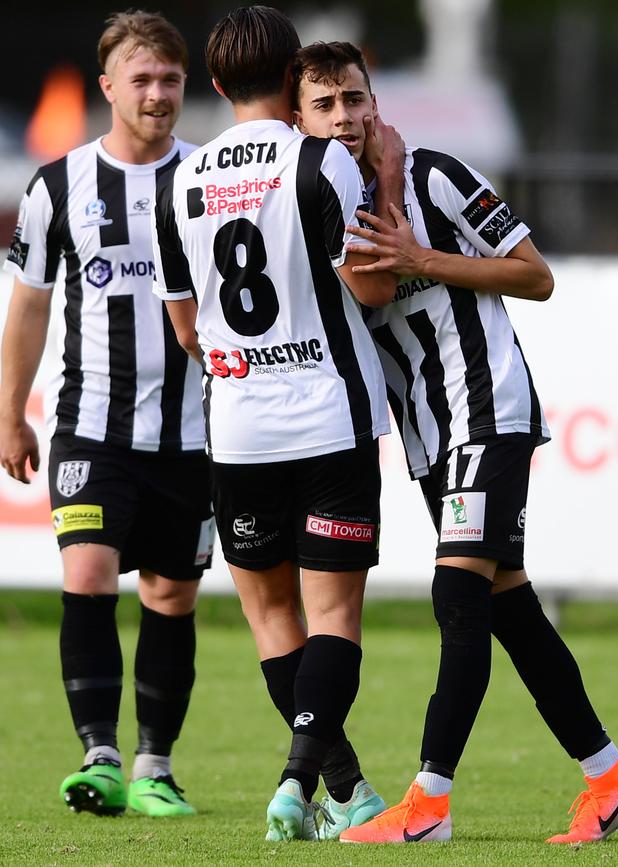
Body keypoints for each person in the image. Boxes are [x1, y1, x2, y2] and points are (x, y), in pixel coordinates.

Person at [293, 40, 618, 845]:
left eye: (355, 99)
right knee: (509, 607)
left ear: (374, 103)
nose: (345, 117)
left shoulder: (436, 175)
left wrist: (427, 255)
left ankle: (429, 803)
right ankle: (613, 778)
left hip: (486, 410)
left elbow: (536, 274)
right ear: (299, 119)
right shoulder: (321, 204)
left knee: (456, 598)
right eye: (326, 104)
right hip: (430, 431)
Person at [150, 5, 404, 842]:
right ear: (296, 75)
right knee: (334, 618)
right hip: (330, 414)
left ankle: (348, 791)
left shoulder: (177, 180)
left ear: (217, 85)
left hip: (241, 426)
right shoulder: (321, 160)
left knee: (272, 619)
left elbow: (187, 328)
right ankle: (300, 783)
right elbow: (370, 286)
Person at [0, 11, 215, 818]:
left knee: (171, 595)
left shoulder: (209, 179)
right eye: (142, 80)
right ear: (108, 89)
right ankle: (100, 755)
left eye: (170, 80)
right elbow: (28, 307)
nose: (157, 94)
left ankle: (156, 765)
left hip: (194, 436)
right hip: (90, 426)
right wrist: (10, 412)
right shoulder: (58, 186)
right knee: (86, 572)